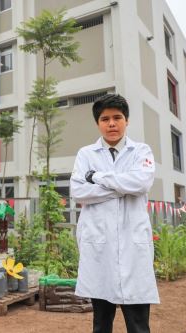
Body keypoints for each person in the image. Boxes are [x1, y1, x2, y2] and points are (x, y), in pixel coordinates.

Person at [70, 94, 159, 333]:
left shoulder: (141, 151)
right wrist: (121, 188)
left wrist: (96, 177)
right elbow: (79, 191)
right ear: (98, 123)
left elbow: (141, 184)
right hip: (100, 249)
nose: (111, 123)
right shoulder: (86, 154)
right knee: (101, 325)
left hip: (133, 248)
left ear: (126, 121)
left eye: (117, 117)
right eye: (105, 118)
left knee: (139, 326)